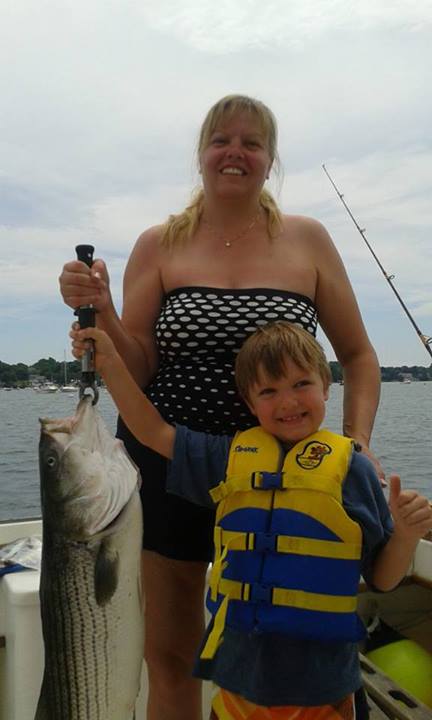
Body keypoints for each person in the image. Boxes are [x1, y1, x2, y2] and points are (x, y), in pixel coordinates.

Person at [59, 94, 383, 719]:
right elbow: (140, 363)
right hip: (170, 461)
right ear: (202, 154)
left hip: (287, 476)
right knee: (170, 654)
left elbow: (359, 356)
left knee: (294, 641)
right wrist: (103, 308)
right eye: (221, 140)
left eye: (252, 142)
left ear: (269, 159)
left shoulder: (308, 240)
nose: (235, 152)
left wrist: (357, 445)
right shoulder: (159, 243)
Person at [70, 320, 432, 720]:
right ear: (249, 401)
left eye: (301, 384)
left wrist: (405, 535)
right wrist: (109, 363)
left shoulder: (354, 470)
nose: (288, 402)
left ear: (327, 386)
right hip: (239, 683)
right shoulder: (228, 459)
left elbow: (383, 578)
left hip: (325, 687)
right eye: (268, 391)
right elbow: (152, 431)